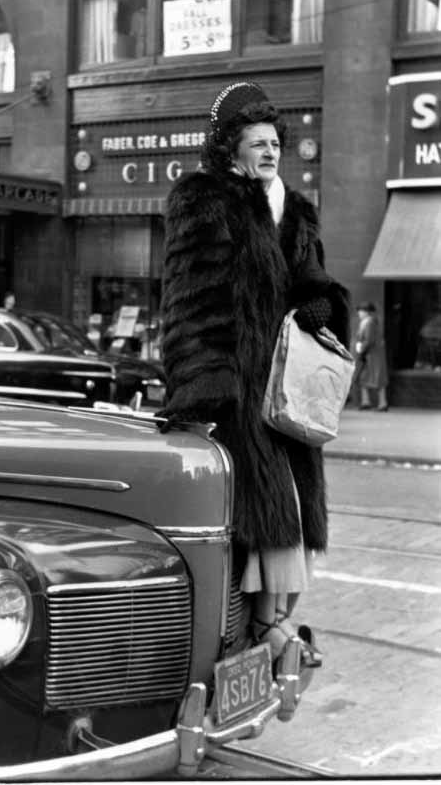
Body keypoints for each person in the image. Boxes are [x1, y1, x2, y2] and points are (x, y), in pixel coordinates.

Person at [159, 81, 350, 672]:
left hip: (287, 392)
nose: (270, 153)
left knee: (291, 504)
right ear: (228, 149)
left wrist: (320, 302)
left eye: (275, 143)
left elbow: (311, 278)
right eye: (257, 143)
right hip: (237, 389)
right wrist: (201, 391)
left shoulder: (293, 209)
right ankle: (258, 630)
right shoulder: (203, 199)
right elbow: (191, 303)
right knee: (254, 512)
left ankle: (277, 621)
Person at [354, 301, 388, 411]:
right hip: (370, 355)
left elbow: (369, 340)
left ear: (366, 312)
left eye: (361, 311)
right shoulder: (368, 322)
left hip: (372, 355)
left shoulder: (369, 323)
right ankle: (366, 401)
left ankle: (382, 403)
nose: (359, 313)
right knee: (365, 378)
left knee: (376, 379)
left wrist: (360, 348)